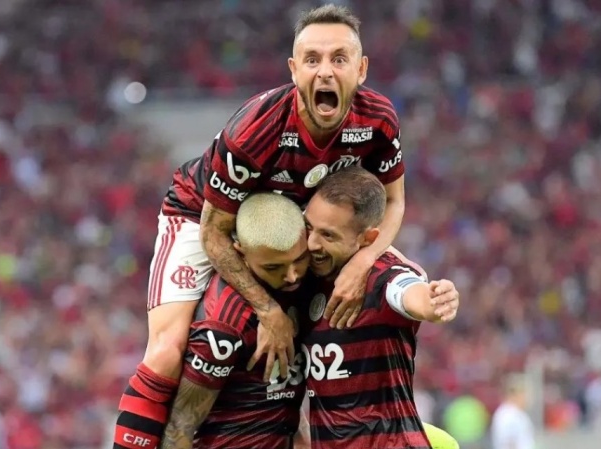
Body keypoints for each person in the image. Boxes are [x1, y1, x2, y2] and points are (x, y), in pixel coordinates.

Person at [113, 5, 408, 446]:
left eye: (339, 58)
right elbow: (215, 232)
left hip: (290, 227)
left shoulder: (378, 119)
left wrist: (362, 263)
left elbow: (394, 202)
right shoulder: (257, 128)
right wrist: (268, 311)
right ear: (294, 70)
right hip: (202, 213)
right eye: (312, 59)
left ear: (361, 69)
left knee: (372, 285)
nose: (325, 71)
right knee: (168, 348)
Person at [300, 166, 460, 449]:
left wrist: (434, 301)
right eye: (309, 227)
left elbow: (409, 293)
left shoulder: (382, 277)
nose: (312, 244)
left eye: (328, 235)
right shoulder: (302, 278)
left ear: (368, 239)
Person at [157, 193, 314, 449]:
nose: (291, 276)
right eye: (273, 267)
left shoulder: (300, 290)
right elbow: (180, 426)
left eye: (299, 259)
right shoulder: (224, 324)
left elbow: (278, 398)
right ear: (240, 254)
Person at [491, 375, 536, 449]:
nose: (528, 398)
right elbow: (507, 443)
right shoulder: (507, 415)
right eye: (525, 394)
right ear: (516, 394)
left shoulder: (518, 414)